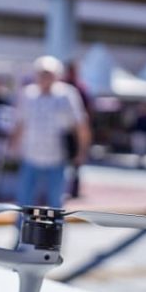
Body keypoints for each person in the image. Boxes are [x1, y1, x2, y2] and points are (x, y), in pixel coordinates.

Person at [12, 56, 90, 210]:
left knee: (55, 204)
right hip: (31, 156)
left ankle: (55, 227)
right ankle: (21, 226)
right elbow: (20, 123)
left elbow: (80, 124)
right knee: (24, 202)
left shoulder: (67, 94)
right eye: (42, 74)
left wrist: (81, 151)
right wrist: (14, 146)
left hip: (57, 158)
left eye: (48, 74)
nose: (44, 78)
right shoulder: (27, 94)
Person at [63, 60, 92, 198]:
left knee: (77, 162)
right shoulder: (62, 86)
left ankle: (74, 189)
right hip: (65, 130)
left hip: (76, 130)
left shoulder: (81, 88)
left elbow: (87, 111)